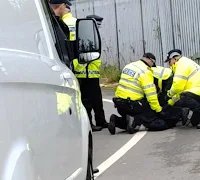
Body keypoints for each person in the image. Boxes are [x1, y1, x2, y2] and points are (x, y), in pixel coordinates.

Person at [49, 0, 108, 132]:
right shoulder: (75, 23)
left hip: (75, 67)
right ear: (65, 6)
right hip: (85, 67)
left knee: (83, 98)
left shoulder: (62, 25)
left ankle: (89, 122)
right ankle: (95, 122)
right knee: (91, 98)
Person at [108, 53, 184, 135]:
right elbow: (151, 96)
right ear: (150, 60)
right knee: (158, 123)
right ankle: (136, 120)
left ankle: (116, 120)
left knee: (130, 121)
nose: (152, 66)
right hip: (134, 105)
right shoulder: (146, 72)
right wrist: (159, 110)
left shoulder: (129, 66)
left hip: (119, 103)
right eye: (152, 64)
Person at [165, 49, 200, 129]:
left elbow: (177, 86)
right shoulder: (185, 62)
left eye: (169, 61)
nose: (169, 64)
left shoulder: (181, 64)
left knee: (184, 98)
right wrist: (170, 103)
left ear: (174, 58)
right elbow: (180, 90)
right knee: (194, 122)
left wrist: (169, 94)